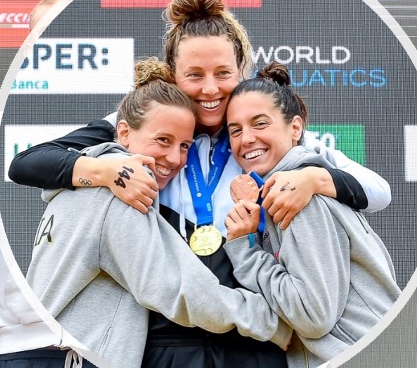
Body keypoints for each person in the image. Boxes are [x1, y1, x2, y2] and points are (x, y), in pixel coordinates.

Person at [8, 0, 391, 368]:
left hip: (256, 334)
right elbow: (28, 163)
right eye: (194, 75)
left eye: (223, 73)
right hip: (166, 336)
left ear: (242, 70)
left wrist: (317, 181)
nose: (210, 89)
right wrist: (102, 169)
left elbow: (379, 191)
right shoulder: (138, 124)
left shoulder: (263, 137)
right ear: (173, 74)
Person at [25, 58, 293, 368]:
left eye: (184, 146)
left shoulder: (79, 185)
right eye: (162, 140)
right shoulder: (117, 194)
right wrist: (276, 325)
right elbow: (181, 290)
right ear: (123, 132)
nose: (174, 158)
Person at [223, 61, 401, 367]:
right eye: (235, 130)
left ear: (295, 128)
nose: (246, 139)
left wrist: (246, 252)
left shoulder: (299, 199)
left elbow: (312, 315)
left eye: (260, 123)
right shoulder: (290, 186)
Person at [0, 0, 95, 368]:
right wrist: (15, 291)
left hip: (102, 340)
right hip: (20, 344)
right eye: (37, 35)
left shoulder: (119, 128)